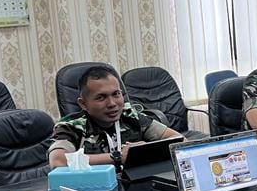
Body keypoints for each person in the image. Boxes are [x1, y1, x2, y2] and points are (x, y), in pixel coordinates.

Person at [48, 65, 181, 170]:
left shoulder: (130, 115)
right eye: (101, 97)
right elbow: (58, 161)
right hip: (97, 189)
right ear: (83, 104)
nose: (112, 103)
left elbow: (179, 141)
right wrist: (118, 157)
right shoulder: (71, 126)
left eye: (116, 94)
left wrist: (144, 151)